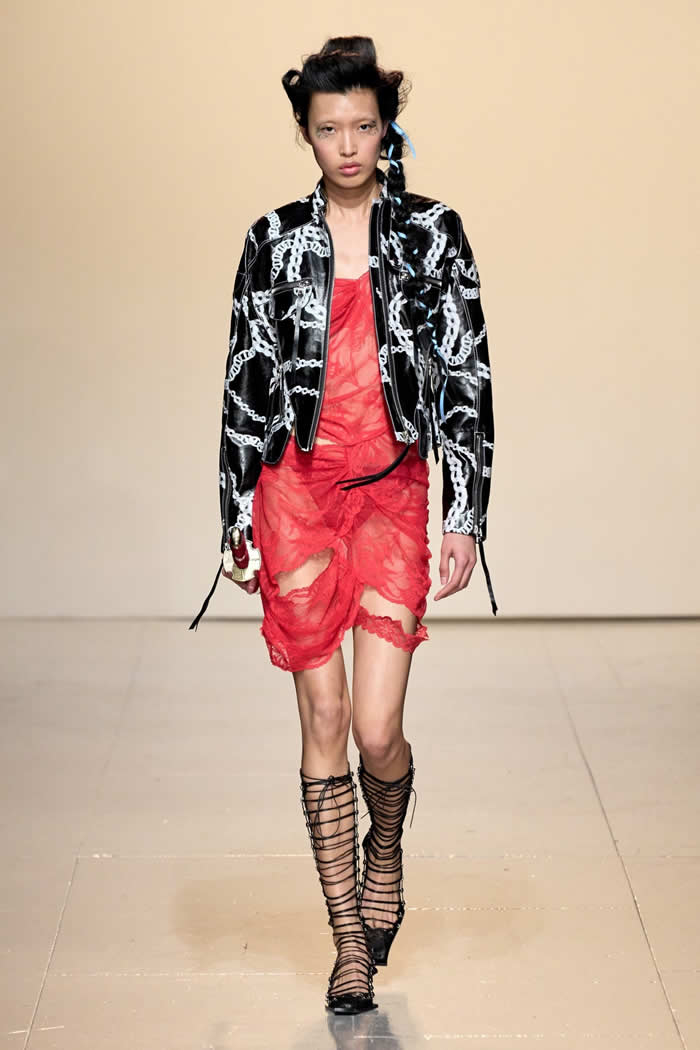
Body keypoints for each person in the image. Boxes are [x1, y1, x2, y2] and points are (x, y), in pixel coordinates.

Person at [189, 36, 496, 1015]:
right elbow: (243, 381)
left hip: (392, 493)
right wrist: (234, 514)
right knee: (323, 718)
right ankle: (348, 944)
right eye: (329, 129)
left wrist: (466, 515)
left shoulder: (433, 235)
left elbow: (466, 378)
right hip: (295, 494)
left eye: (364, 125)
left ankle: (387, 842)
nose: (349, 145)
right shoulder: (273, 240)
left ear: (385, 125)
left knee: (376, 728)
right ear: (306, 133)